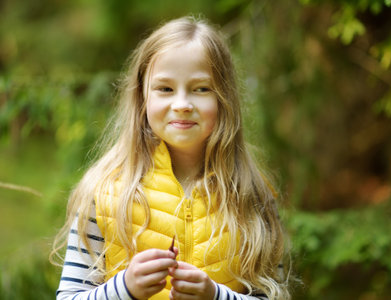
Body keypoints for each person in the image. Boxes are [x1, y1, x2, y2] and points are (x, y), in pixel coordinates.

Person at [52, 16, 290, 300]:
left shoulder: (253, 194)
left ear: (224, 98)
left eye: (201, 88)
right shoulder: (105, 192)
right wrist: (124, 289)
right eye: (165, 89)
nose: (182, 105)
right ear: (142, 97)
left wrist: (216, 297)